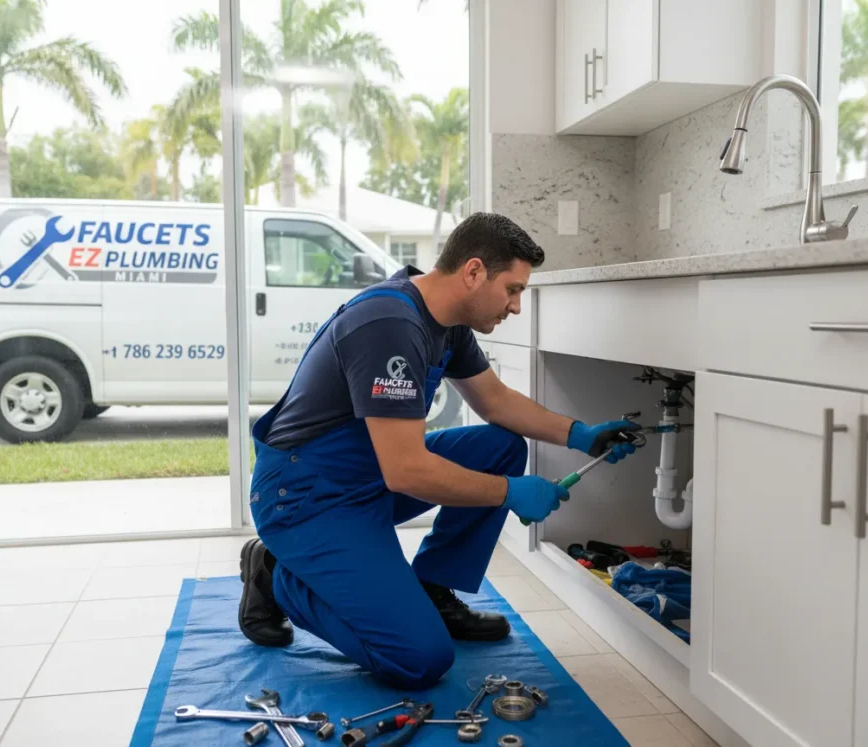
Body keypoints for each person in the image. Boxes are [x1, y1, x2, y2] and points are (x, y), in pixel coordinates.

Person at [239, 212, 638, 689]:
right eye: (512, 290)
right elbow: (406, 471)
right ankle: (275, 574)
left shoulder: (446, 323)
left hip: (366, 477)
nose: (515, 307)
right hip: (305, 496)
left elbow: (494, 401)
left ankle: (432, 591)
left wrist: (581, 434)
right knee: (417, 658)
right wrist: (508, 493)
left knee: (498, 447)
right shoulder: (388, 323)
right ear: (472, 272)